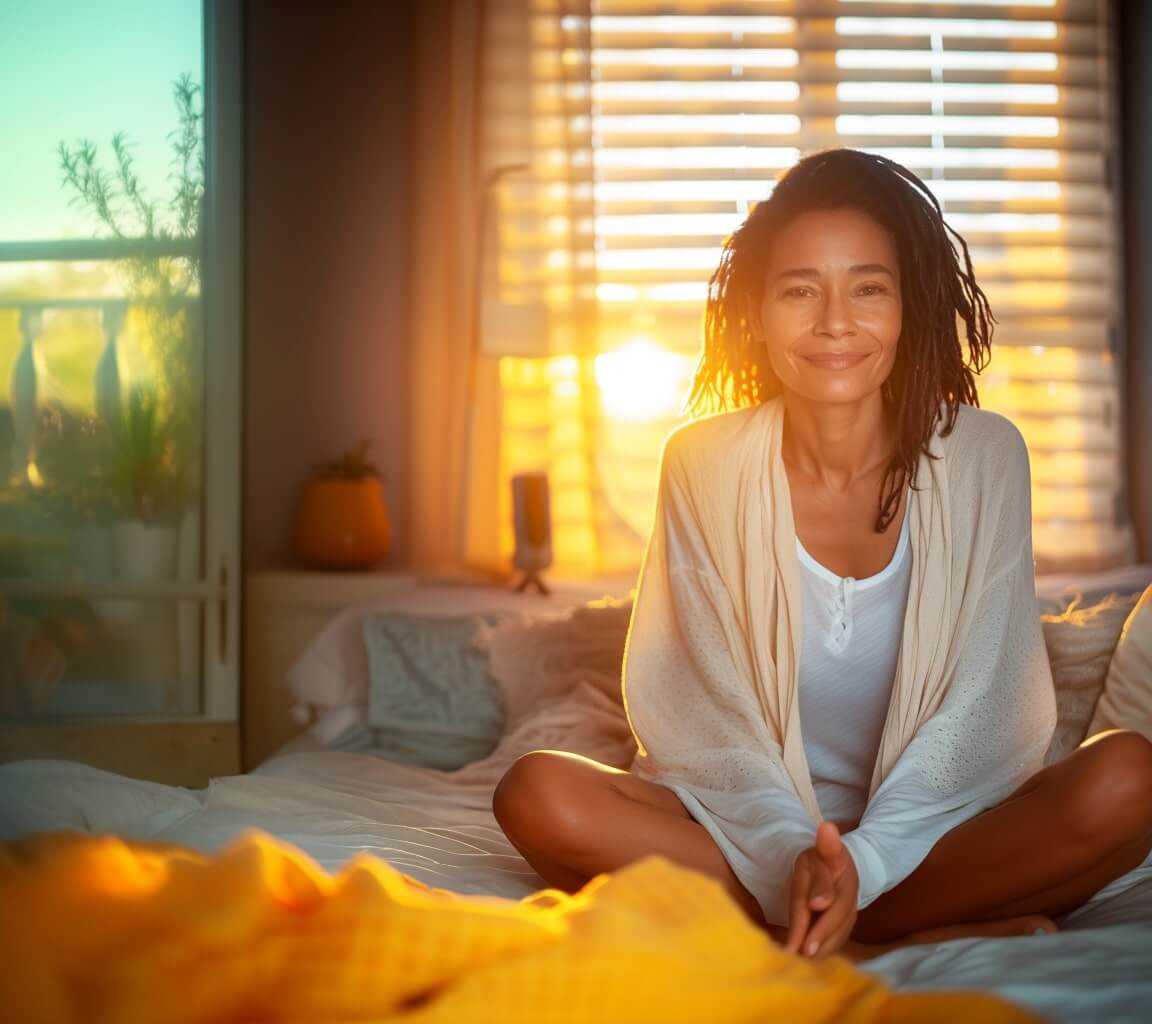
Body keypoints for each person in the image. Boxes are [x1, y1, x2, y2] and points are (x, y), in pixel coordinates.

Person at [492, 148, 1152, 960]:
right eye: (800, 289)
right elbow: (703, 713)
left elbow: (989, 706)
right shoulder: (700, 461)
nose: (835, 321)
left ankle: (825, 928)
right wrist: (790, 854)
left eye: (868, 287)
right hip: (742, 828)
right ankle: (894, 933)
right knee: (537, 792)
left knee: (1127, 779)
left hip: (938, 829)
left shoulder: (987, 455)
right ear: (758, 313)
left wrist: (862, 864)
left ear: (908, 305)